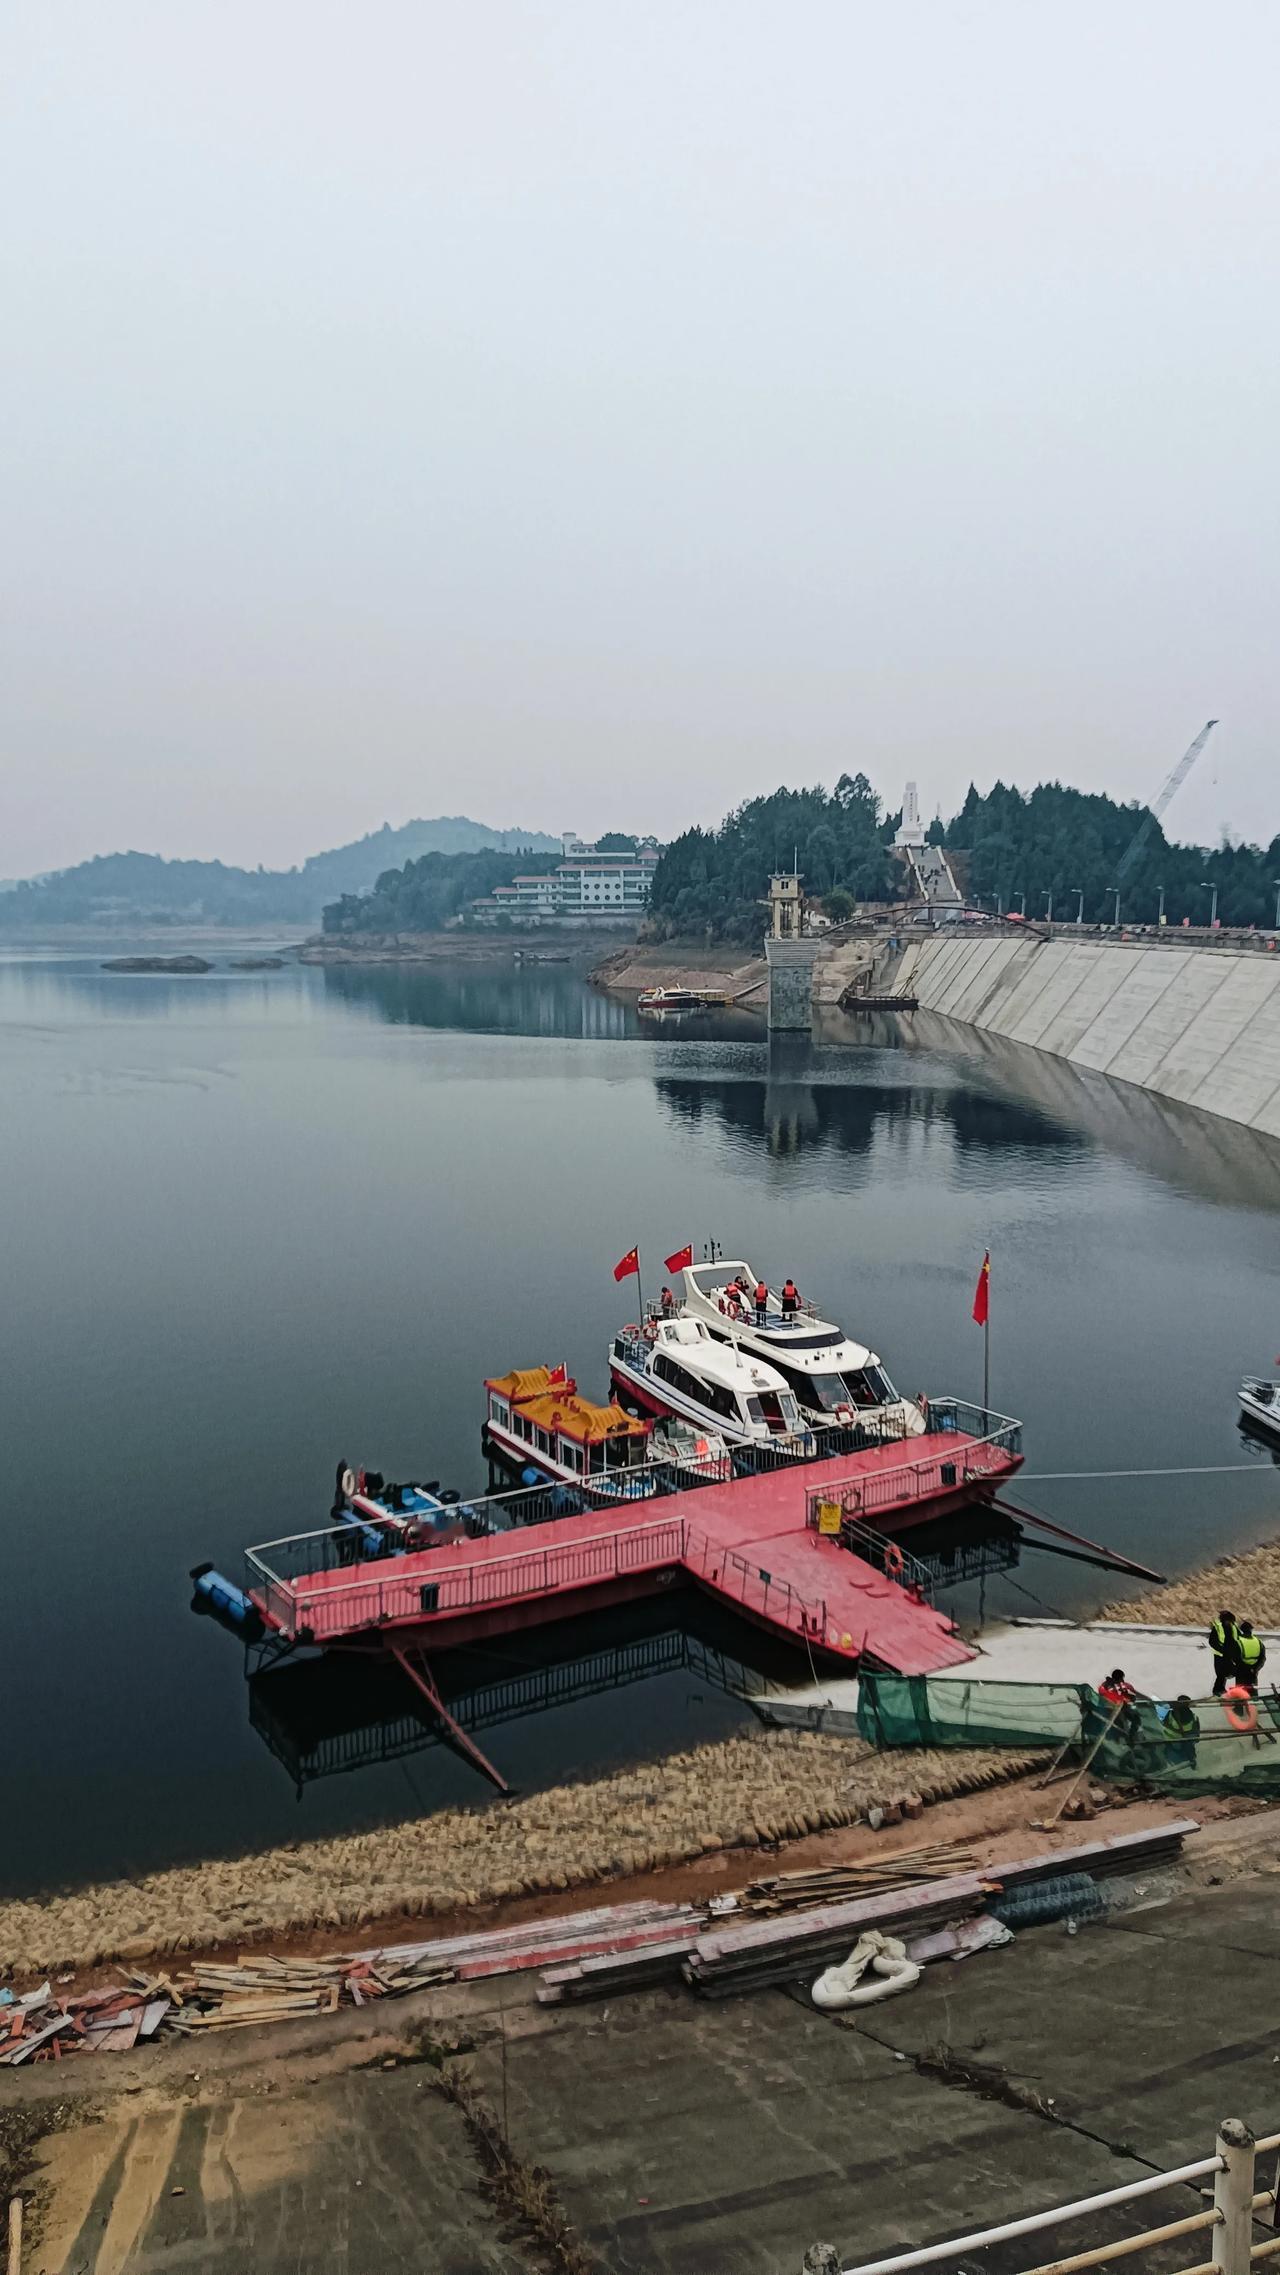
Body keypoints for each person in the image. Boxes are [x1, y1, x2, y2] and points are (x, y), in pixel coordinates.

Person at [1161, 1694, 1200, 1769]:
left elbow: (1195, 1732)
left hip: (1178, 1742)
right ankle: (1191, 1762)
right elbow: (1165, 1724)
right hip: (1172, 1742)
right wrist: (1178, 1731)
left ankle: (1192, 1762)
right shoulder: (1171, 1714)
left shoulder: (1193, 1717)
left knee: (1188, 1751)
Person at [1208, 1610, 1240, 1696]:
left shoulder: (1234, 1627)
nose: (1229, 1623)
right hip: (1220, 1654)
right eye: (1228, 1621)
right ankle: (1218, 1690)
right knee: (1220, 1674)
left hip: (1231, 1653)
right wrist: (1221, 1649)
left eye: (1230, 1621)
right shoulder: (1218, 1627)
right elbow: (1212, 1641)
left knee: (1233, 1671)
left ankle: (1223, 1689)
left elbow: (1239, 1638)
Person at [1236, 1621, 1266, 1693]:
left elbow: (1235, 1658)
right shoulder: (1258, 1641)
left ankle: (1240, 1704)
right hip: (1253, 1672)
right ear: (1251, 1630)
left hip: (1241, 1672)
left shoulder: (1238, 1641)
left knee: (1240, 1695)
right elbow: (1263, 1658)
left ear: (1242, 1630)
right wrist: (1255, 1669)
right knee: (1253, 1696)